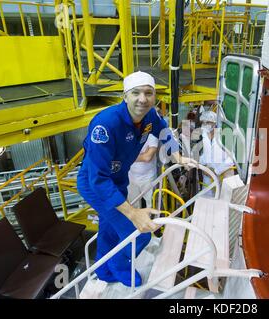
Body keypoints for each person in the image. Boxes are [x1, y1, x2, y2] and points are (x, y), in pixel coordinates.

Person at [77, 71, 196, 287]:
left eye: (148, 93)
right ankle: (118, 267)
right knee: (139, 234)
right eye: (136, 93)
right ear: (125, 96)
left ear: (154, 96)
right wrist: (133, 213)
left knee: (109, 228)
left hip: (119, 179)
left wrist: (178, 156)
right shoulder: (105, 125)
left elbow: (165, 132)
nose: (143, 99)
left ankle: (103, 269)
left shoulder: (150, 116)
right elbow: (99, 179)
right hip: (96, 185)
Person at [198, 110, 235, 194]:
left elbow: (231, 159)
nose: (204, 125)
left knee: (223, 201)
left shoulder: (224, 136)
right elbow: (203, 155)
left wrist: (216, 171)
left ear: (215, 123)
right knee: (207, 202)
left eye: (207, 122)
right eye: (203, 123)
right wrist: (202, 165)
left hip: (223, 175)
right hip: (207, 176)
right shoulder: (204, 136)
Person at [127, 134, 159, 209]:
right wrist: (142, 155)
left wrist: (129, 156)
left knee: (151, 207)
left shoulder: (152, 133)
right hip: (131, 176)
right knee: (133, 206)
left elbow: (148, 157)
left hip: (148, 178)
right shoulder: (127, 131)